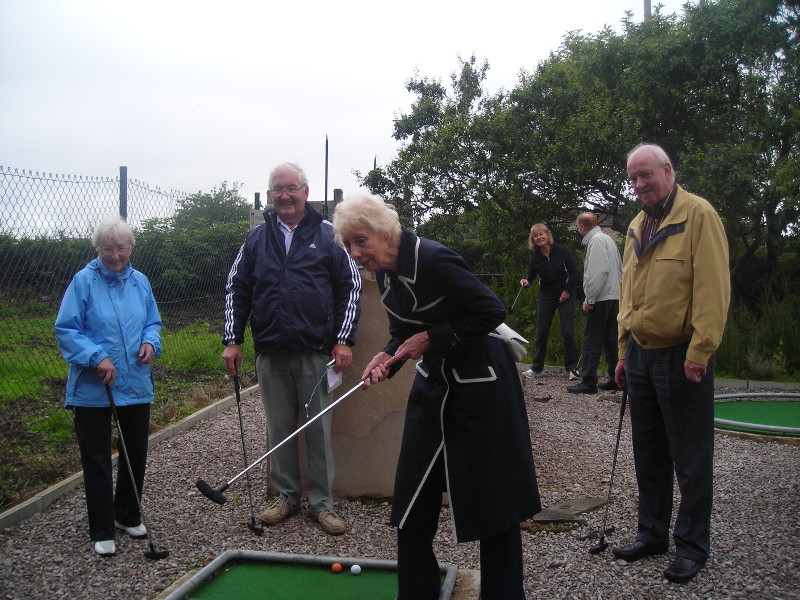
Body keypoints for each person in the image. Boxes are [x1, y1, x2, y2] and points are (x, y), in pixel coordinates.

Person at [332, 193, 541, 600]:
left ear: (383, 231)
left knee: (493, 503)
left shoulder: (434, 259)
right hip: (433, 387)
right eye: (348, 245)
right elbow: (401, 332)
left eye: (360, 241)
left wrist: (432, 337)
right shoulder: (386, 273)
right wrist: (388, 357)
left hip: (482, 388)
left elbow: (490, 311)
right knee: (412, 496)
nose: (355, 254)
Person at [222, 162, 361, 536]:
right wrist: (232, 340)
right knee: (279, 428)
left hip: (317, 352)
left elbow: (351, 287)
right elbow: (237, 287)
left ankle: (322, 504)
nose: (284, 195)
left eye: (291, 188)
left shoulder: (329, 235)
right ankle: (285, 496)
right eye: (277, 189)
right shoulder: (255, 239)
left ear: (304, 191)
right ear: (271, 196)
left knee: (318, 429)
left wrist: (344, 339)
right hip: (270, 350)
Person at [613, 144, 730, 583]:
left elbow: (713, 288)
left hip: (682, 354)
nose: (640, 184)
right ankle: (652, 534)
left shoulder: (698, 215)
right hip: (641, 353)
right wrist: (623, 351)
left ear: (668, 170)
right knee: (649, 453)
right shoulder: (636, 224)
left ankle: (692, 546)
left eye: (647, 175)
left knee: (691, 456)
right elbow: (629, 291)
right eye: (633, 179)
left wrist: (701, 350)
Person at [54, 215, 162, 557]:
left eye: (121, 248)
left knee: (136, 452)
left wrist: (150, 343)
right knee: (97, 458)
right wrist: (96, 356)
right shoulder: (83, 282)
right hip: (93, 387)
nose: (115, 255)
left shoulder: (140, 281)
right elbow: (67, 329)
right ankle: (101, 528)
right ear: (97, 249)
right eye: (107, 249)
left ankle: (127, 514)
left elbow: (153, 322)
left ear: (131, 247)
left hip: (135, 381)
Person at [567, 212, 623, 394]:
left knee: (591, 338)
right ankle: (618, 379)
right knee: (610, 339)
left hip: (601, 297)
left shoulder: (596, 241)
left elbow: (598, 272)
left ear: (582, 226)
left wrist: (589, 298)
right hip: (614, 295)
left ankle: (589, 381)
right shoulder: (607, 239)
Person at [519, 223, 580, 380]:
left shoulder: (561, 251)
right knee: (541, 331)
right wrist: (525, 282)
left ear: (547, 235)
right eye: (535, 236)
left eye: (541, 234)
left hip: (566, 294)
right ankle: (537, 368)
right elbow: (530, 278)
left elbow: (574, 273)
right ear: (533, 239)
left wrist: (566, 291)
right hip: (546, 296)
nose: (539, 238)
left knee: (567, 330)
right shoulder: (536, 258)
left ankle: (572, 368)